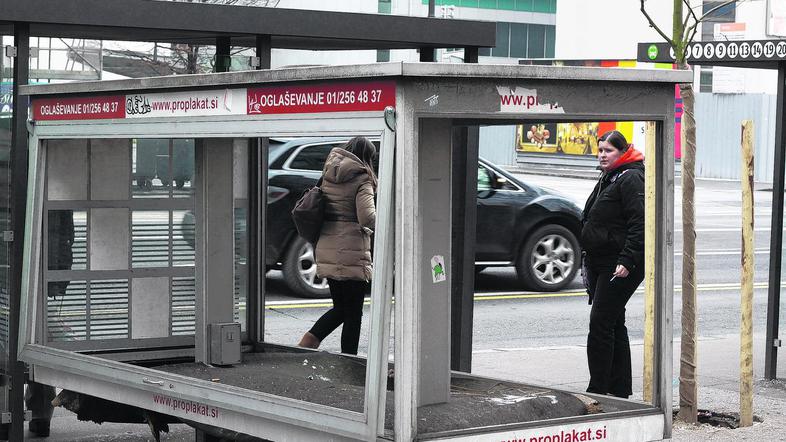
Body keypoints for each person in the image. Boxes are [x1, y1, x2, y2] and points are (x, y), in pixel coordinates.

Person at [298, 137, 377, 355]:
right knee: (353, 312)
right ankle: (347, 358)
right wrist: (388, 225)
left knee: (342, 307)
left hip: (326, 244)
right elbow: (367, 217)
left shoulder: (329, 173)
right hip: (351, 249)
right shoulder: (362, 178)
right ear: (367, 157)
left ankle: (310, 340)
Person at [580, 130, 645, 399]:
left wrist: (627, 260)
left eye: (608, 150)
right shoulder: (611, 176)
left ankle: (598, 389)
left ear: (621, 152)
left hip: (618, 264)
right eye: (600, 150)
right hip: (601, 261)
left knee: (601, 324)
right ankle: (618, 389)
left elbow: (639, 223)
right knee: (614, 323)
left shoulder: (631, 177)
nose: (602, 155)